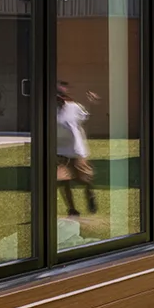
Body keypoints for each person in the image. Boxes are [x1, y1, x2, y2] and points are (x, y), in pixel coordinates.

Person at [55, 82, 97, 220]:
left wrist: (90, 102)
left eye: (60, 97)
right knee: (63, 181)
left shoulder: (74, 107)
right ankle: (72, 210)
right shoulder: (50, 111)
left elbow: (85, 116)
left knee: (83, 178)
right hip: (59, 152)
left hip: (76, 151)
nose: (59, 100)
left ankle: (89, 192)